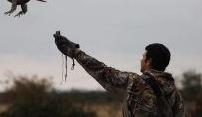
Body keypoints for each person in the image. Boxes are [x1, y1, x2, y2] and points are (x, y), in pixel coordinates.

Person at [53, 31, 184, 117]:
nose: (141, 60)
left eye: (143, 57)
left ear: (149, 61)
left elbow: (103, 71)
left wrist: (75, 52)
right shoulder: (175, 93)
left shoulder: (136, 82)